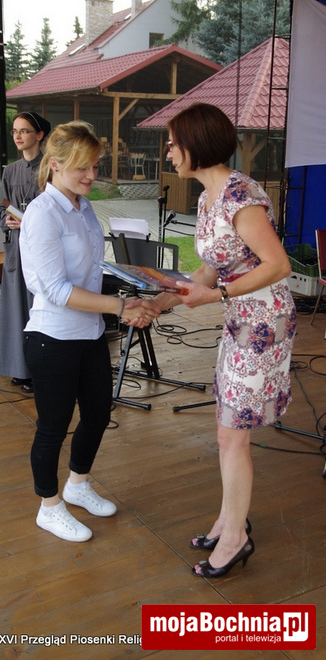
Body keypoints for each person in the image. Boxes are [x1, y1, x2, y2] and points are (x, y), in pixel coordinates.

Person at [149, 103, 297, 578]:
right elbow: (210, 269)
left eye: (173, 142)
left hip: (263, 324)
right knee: (226, 430)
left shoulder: (240, 196)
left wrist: (215, 296)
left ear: (195, 144)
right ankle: (228, 520)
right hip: (239, 320)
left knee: (233, 434)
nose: (168, 151)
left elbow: (278, 265)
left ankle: (235, 538)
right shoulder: (208, 198)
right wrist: (163, 300)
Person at [19, 120, 160, 542]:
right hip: (52, 337)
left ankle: (77, 485)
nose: (92, 175)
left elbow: (91, 269)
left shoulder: (82, 208)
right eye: (83, 167)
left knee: (98, 413)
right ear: (55, 164)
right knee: (53, 426)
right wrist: (121, 306)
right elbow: (57, 289)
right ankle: (49, 507)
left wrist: (135, 284)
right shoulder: (42, 214)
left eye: (96, 166)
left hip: (91, 332)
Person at [0, 111, 51, 393]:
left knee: (37, 307)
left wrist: (29, 220)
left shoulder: (51, 168)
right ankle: (20, 369)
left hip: (41, 249)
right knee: (16, 309)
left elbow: (53, 210)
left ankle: (40, 372)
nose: (18, 136)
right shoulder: (10, 171)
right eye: (15, 131)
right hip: (16, 250)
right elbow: (1, 209)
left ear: (39, 135)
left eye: (24, 131)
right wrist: (6, 219)